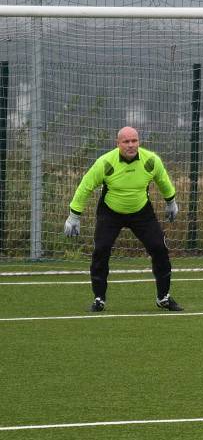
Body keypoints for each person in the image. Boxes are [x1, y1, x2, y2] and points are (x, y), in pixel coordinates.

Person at [63, 126, 182, 312]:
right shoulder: (105, 163)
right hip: (110, 213)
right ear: (118, 144)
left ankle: (163, 297)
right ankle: (99, 299)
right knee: (101, 250)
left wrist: (171, 203)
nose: (130, 145)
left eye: (134, 141)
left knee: (159, 248)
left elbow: (163, 181)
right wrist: (73, 216)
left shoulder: (151, 161)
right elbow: (85, 187)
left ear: (139, 142)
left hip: (142, 212)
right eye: (126, 141)